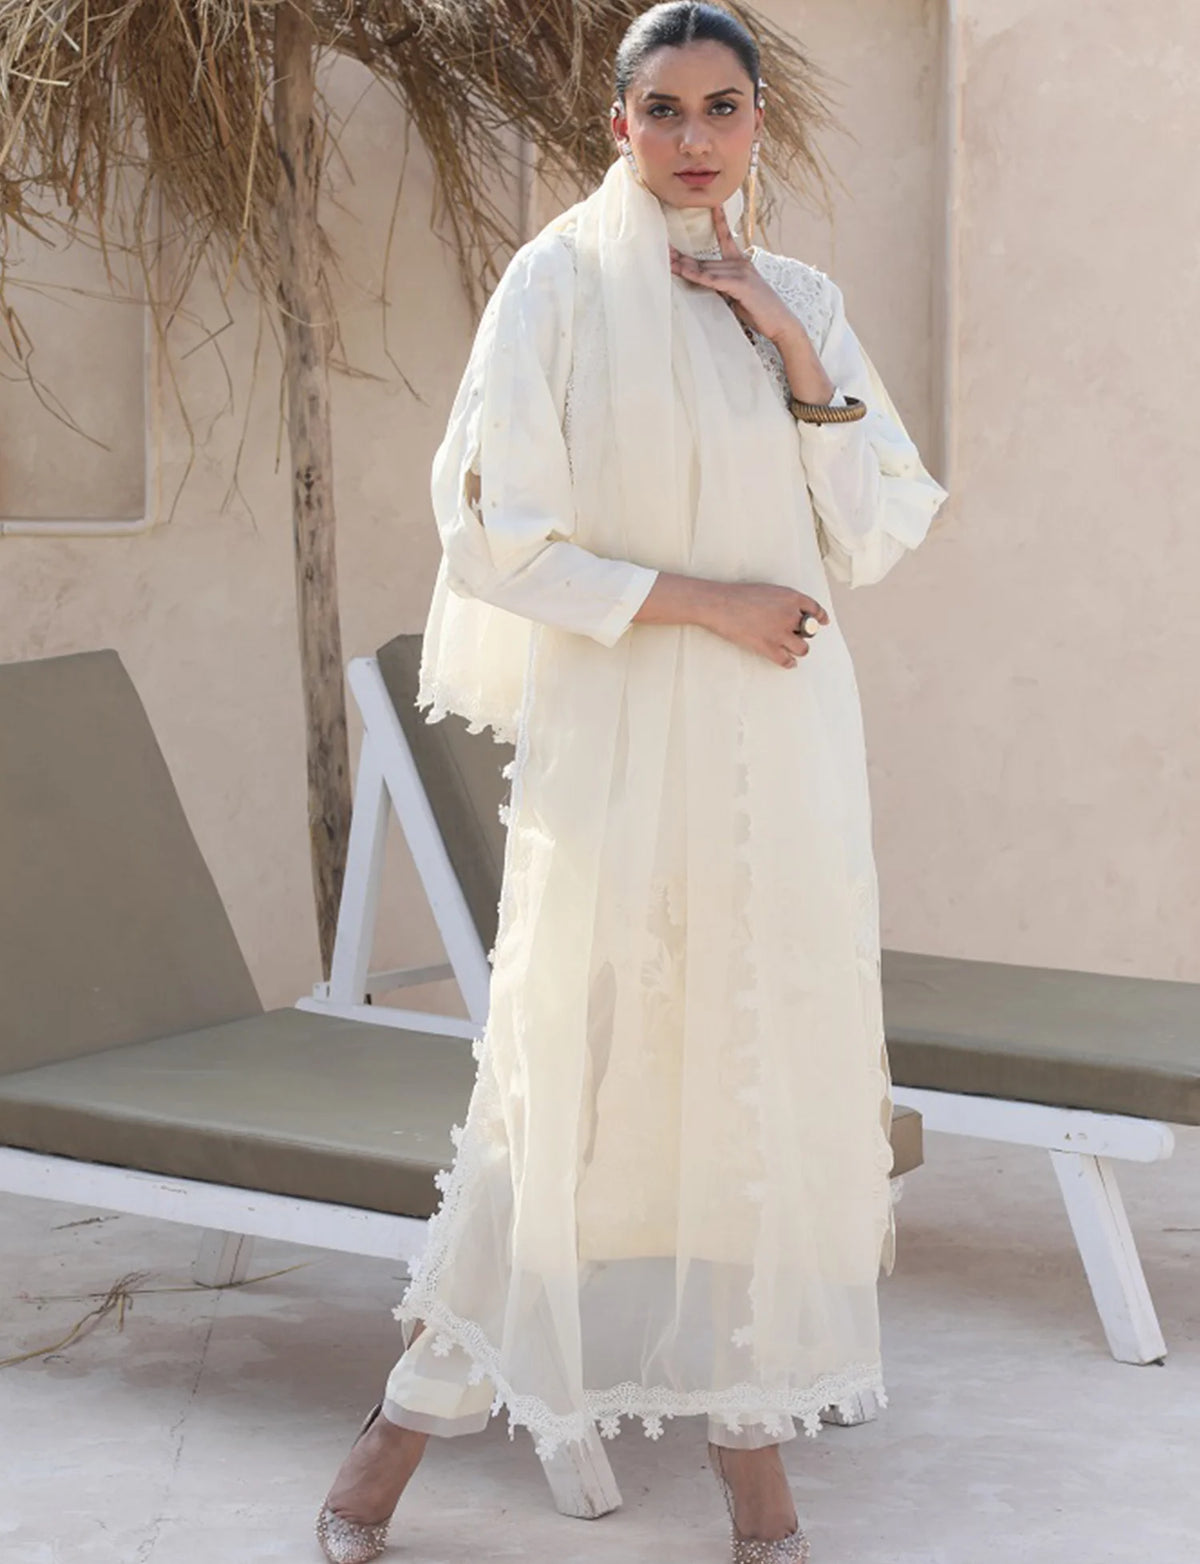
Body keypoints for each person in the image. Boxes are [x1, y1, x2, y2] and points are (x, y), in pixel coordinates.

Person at [315, 4, 948, 1560]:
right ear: (619, 125)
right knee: (567, 1073)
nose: (693, 138)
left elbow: (874, 528)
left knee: (761, 1066)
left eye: (722, 108)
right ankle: (406, 1422)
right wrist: (709, 604)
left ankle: (754, 1458)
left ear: (756, 124)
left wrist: (786, 342)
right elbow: (496, 537)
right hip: (619, 730)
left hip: (778, 744)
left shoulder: (802, 298)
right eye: (663, 108)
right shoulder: (552, 288)